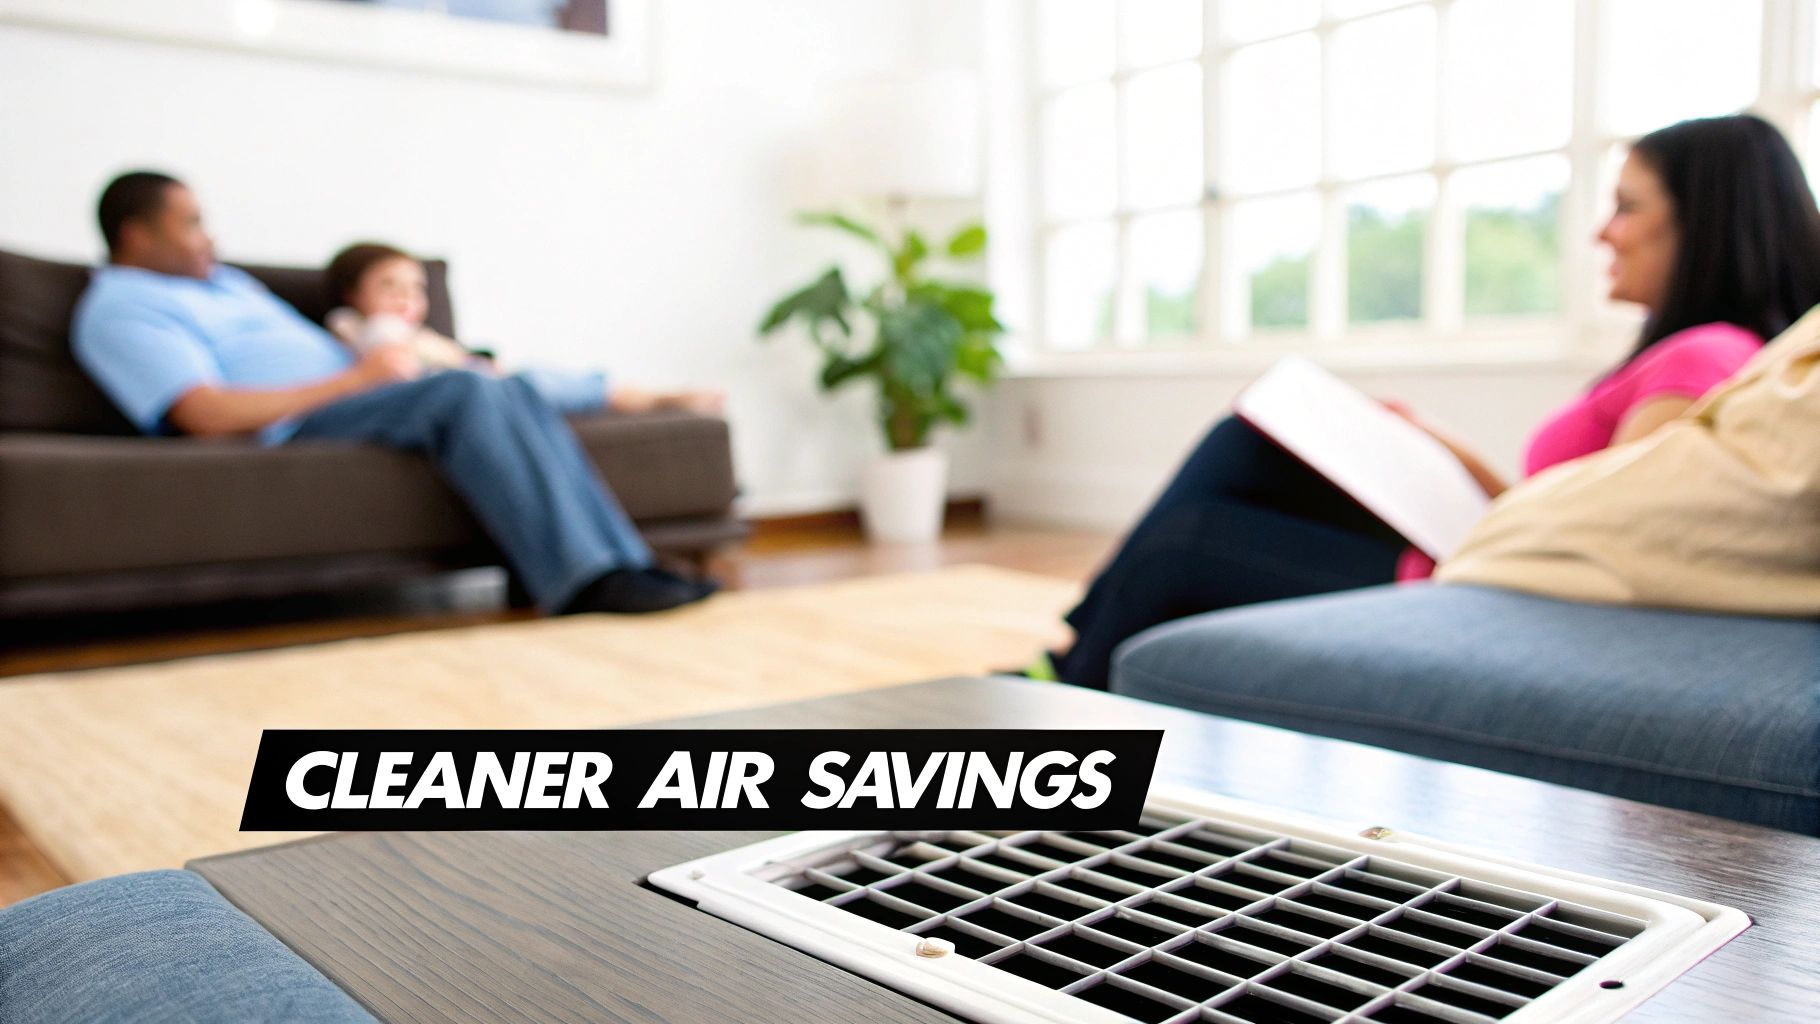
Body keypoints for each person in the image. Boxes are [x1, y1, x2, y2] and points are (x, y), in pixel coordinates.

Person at [1049, 114, 1820, 690]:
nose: (1602, 233)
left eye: (1626, 207)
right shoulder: (1698, 352)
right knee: (1245, 444)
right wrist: (1442, 447)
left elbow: (1618, 542)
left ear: (1705, 227)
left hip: (1475, 586)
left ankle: (1067, 687)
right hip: (1489, 556)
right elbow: (1583, 509)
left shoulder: (1709, 353)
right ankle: (1069, 660)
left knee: (1187, 543)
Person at [72, 171, 720, 616]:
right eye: (191, 223)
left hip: (369, 393)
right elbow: (202, 411)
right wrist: (358, 379)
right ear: (136, 234)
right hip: (307, 420)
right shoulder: (120, 308)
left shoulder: (227, 284)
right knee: (464, 391)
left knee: (509, 385)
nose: (209, 236)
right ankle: (583, 582)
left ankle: (627, 561)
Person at [322, 241, 722, 418]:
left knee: (540, 378)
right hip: (455, 392)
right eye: (388, 287)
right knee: (535, 383)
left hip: (484, 382)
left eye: (415, 289)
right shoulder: (358, 329)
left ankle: (642, 397)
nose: (405, 300)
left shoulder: (424, 337)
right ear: (352, 294)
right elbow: (380, 347)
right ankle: (647, 398)